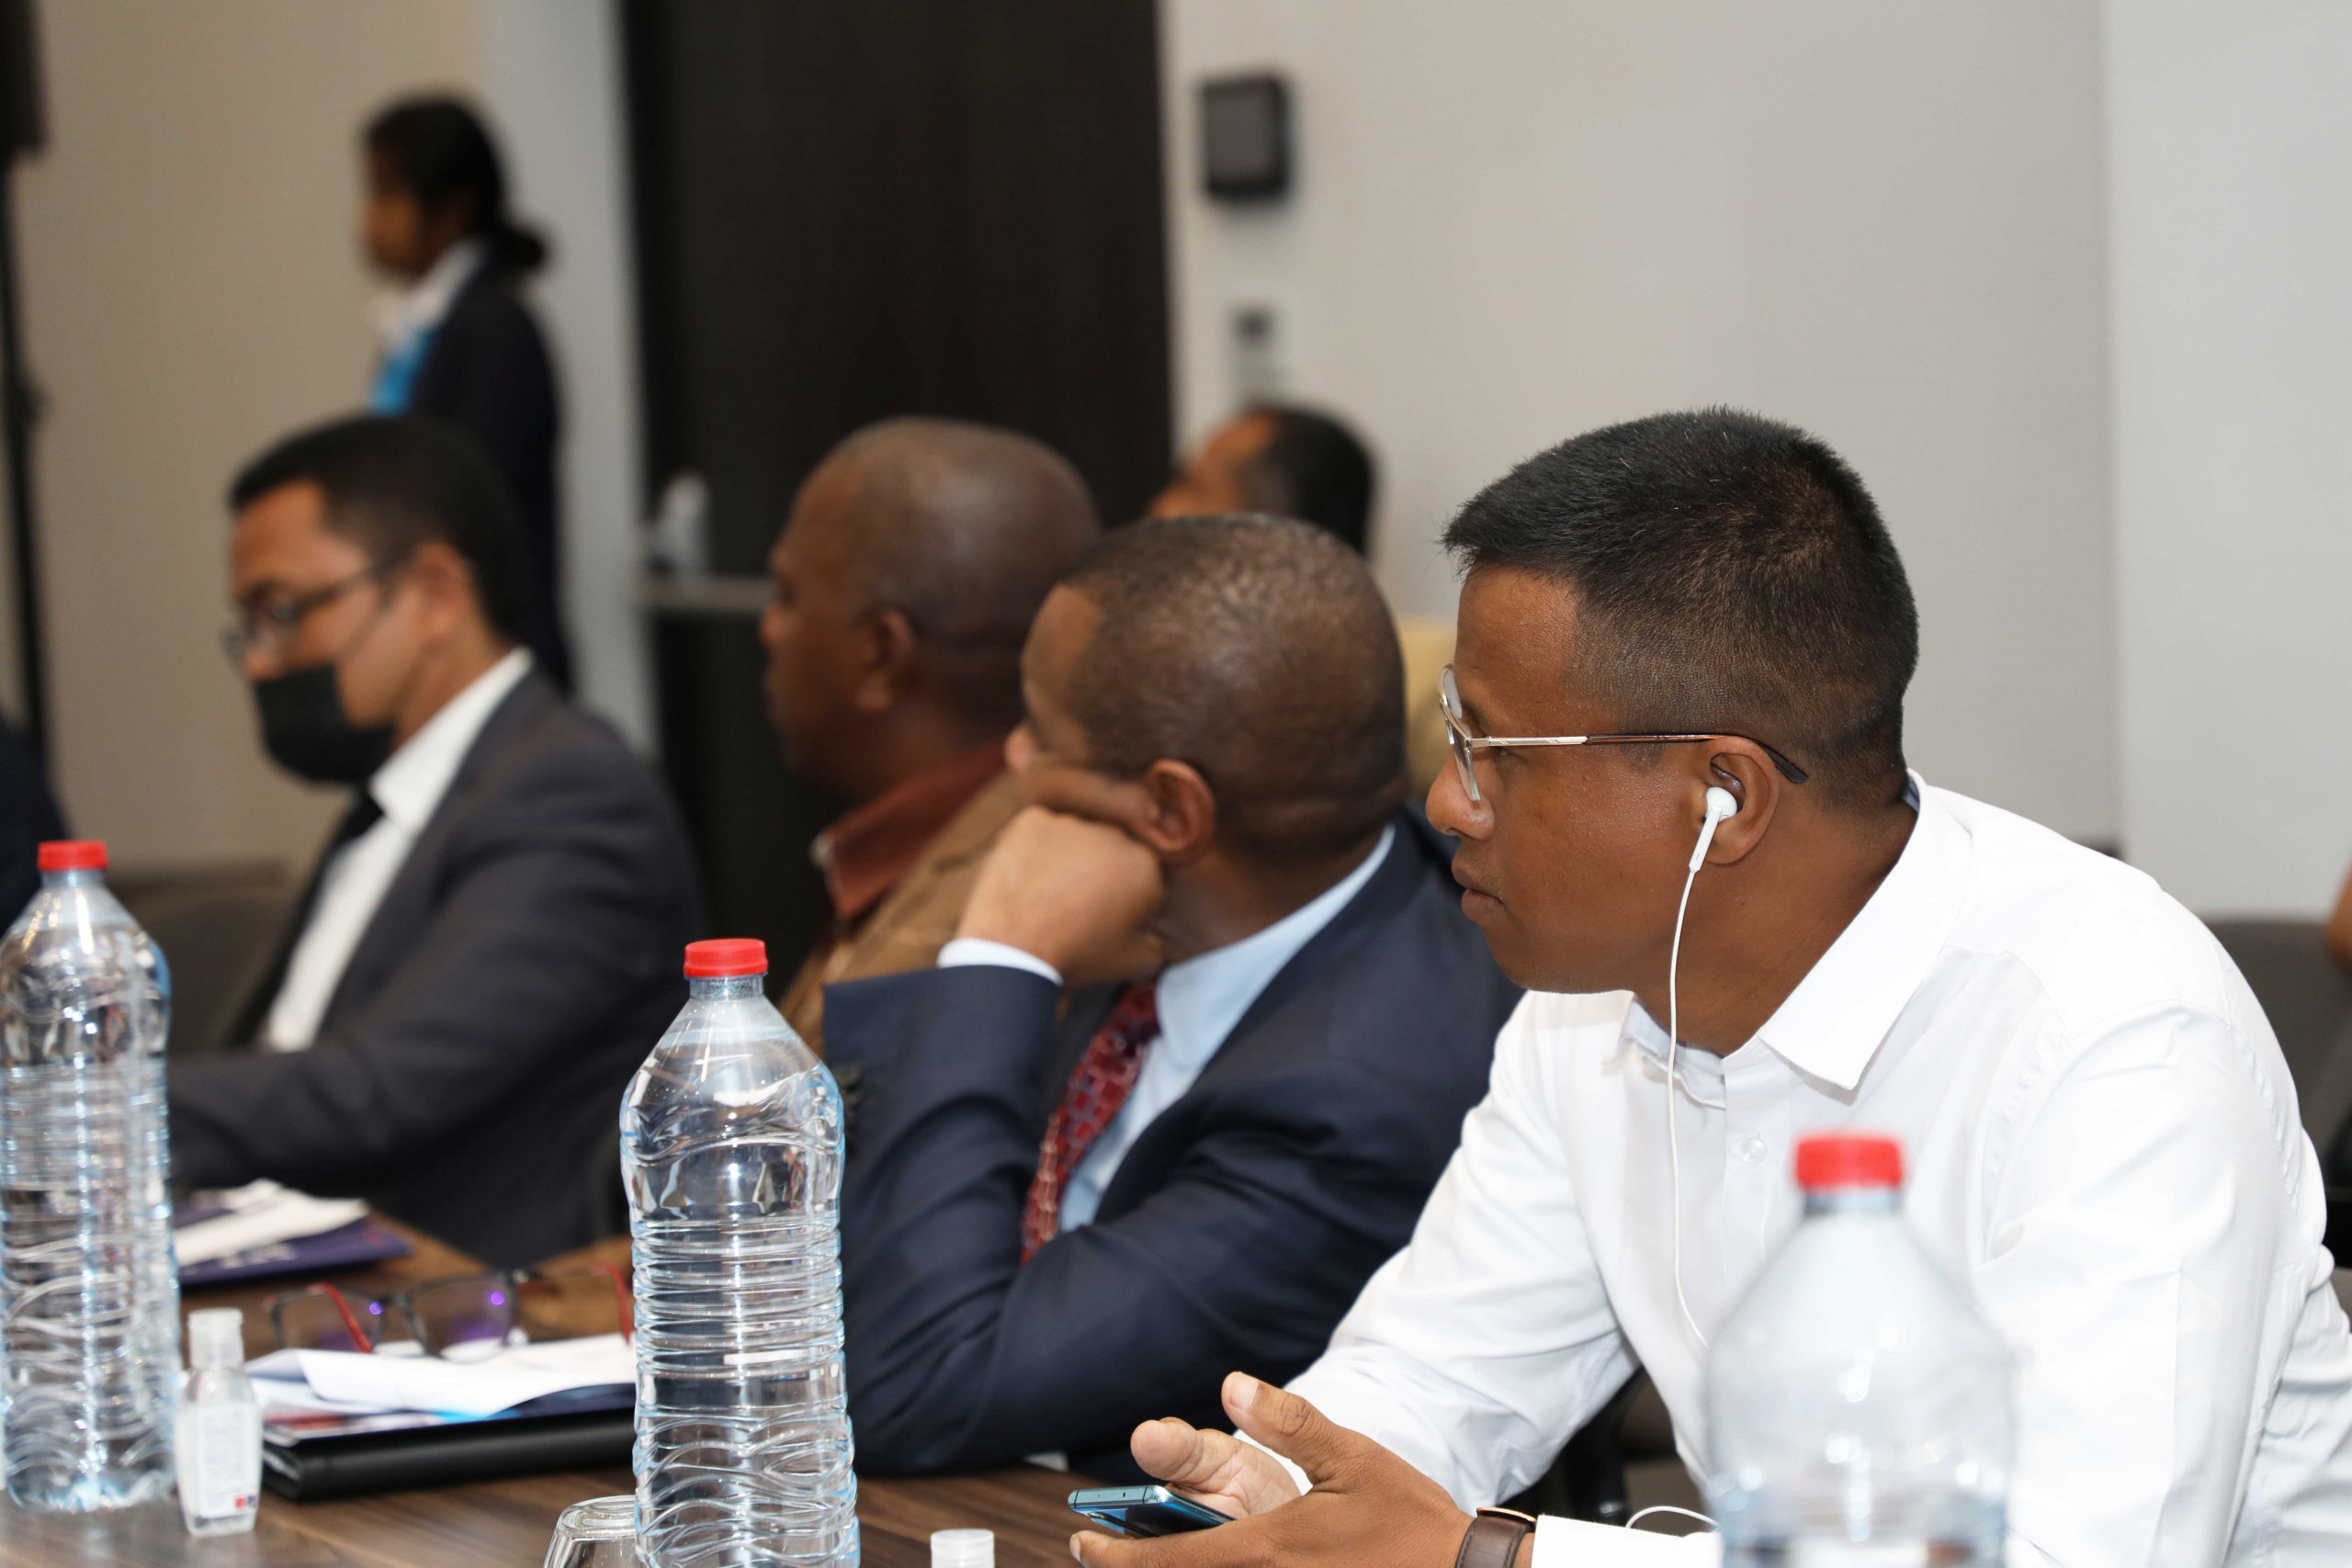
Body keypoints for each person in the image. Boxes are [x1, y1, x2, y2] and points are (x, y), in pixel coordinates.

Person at [1078, 411, 2352, 1567]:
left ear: (1722, 795)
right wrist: (1279, 1490)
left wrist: (1495, 1559)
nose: (1449, 802)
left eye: (1493, 750)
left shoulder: (2116, 1032)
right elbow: (1437, 1374)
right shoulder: (1593, 1003)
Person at [828, 515, 1521, 1476]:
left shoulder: (1359, 1099)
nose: (1015, 757)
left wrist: (1001, 958)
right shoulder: (1174, 909)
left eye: (1043, 731)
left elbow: (913, 1385)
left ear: (1168, 809)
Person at [170, 415, 696, 1269]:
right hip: (307, 1265)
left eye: (283, 612)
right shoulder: (407, 791)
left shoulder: (570, 793)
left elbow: (376, 1089)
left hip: (469, 1304)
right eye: (250, 627)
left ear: (435, 595)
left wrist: (84, 1107)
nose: (261, 662)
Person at [763, 417, 1102, 1050]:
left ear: (880, 654)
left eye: (789, 596)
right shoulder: (916, 853)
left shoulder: (976, 933)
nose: (769, 629)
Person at [360, 95, 570, 687]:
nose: (366, 220)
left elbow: (472, 500)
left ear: (451, 210)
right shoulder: (424, 324)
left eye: (387, 194)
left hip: (494, 652)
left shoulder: (495, 327)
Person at [1152, 404, 1452, 795]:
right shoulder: (1165, 656)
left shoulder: (1424, 677)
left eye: (1194, 487)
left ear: (1276, 528)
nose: (1163, 509)